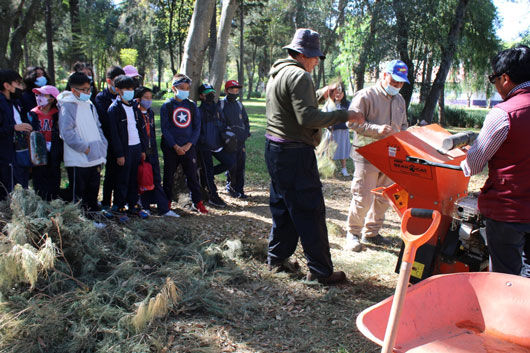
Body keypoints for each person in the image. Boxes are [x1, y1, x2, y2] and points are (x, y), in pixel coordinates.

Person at [265, 28, 365, 285]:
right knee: (309, 210)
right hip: (295, 153)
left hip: (275, 151)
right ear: (302, 54)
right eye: (315, 56)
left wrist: (322, 93)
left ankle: (276, 259)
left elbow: (294, 100)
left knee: (284, 207)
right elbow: (307, 117)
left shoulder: (279, 72)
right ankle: (320, 271)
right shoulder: (300, 77)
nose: (317, 61)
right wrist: (346, 115)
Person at [461, 45, 530, 277]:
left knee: (506, 282)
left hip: (509, 213)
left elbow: (475, 164)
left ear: (506, 78)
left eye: (494, 79)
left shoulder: (504, 114)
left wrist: (467, 154)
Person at [344, 60, 409, 252]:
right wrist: (376, 129)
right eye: (394, 80)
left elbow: (403, 125)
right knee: (362, 196)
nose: (397, 85)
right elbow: (351, 122)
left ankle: (372, 232)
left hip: (391, 156)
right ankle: (353, 233)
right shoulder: (366, 95)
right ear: (383, 75)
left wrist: (405, 135)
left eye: (401, 82)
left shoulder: (399, 100)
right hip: (367, 155)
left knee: (384, 197)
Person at [58, 72, 107, 215]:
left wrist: (102, 145)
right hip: (78, 159)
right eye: (83, 89)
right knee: (79, 193)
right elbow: (66, 132)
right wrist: (85, 148)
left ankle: (93, 216)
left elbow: (97, 126)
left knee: (93, 190)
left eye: (88, 88)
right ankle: (80, 219)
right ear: (73, 90)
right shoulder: (68, 106)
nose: (87, 92)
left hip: (95, 156)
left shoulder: (89, 104)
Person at [160, 73, 207, 214]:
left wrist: (189, 144)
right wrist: (175, 146)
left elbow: (197, 127)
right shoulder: (167, 106)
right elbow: (165, 128)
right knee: (168, 176)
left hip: (188, 147)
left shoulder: (192, 106)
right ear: (174, 88)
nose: (185, 90)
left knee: (192, 176)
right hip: (171, 148)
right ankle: (166, 202)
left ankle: (198, 202)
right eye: (181, 87)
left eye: (187, 88)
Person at [107, 75, 149, 221]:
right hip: (124, 151)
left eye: (132, 89)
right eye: (126, 89)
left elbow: (140, 129)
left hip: (136, 148)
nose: (130, 92)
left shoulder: (135, 108)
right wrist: (119, 154)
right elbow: (114, 135)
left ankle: (133, 205)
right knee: (122, 179)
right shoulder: (114, 109)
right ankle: (119, 207)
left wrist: (143, 149)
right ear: (118, 90)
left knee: (133, 179)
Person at [135, 86, 179, 218]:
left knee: (156, 179)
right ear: (138, 99)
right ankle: (145, 206)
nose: (149, 101)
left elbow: (152, 133)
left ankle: (163, 208)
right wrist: (141, 150)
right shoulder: (135, 114)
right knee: (143, 179)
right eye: (145, 98)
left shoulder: (151, 113)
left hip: (152, 151)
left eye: (150, 98)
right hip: (141, 152)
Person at [197, 83, 235, 208]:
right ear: (201, 96)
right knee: (208, 171)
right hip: (204, 146)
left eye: (212, 93)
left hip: (218, 144)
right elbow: (197, 129)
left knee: (229, 162)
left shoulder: (217, 108)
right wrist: (203, 141)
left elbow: (223, 123)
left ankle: (205, 174)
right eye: (207, 93)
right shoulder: (198, 111)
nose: (211, 95)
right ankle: (213, 196)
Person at [95, 65, 126, 210]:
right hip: (108, 141)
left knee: (122, 174)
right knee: (110, 173)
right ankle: (106, 202)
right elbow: (105, 120)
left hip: (124, 141)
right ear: (109, 81)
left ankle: (120, 203)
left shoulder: (125, 97)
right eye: (116, 80)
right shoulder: (101, 98)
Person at [0, 70, 33, 200]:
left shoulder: (15, 102)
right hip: (6, 158)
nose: (21, 87)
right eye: (17, 83)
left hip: (20, 155)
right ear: (7, 85)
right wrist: (14, 128)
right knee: (9, 193)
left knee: (22, 188)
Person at [28, 85, 62, 200]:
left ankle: (53, 199)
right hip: (38, 150)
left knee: (53, 174)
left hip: (54, 149)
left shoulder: (58, 113)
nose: (38, 97)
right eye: (37, 95)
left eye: (42, 95)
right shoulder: (33, 113)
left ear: (52, 99)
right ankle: (40, 199)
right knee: (39, 176)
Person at [220, 80, 250, 199]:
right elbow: (219, 123)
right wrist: (227, 136)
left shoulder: (239, 105)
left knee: (241, 165)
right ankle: (231, 188)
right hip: (229, 142)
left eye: (237, 90)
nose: (235, 92)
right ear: (226, 91)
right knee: (232, 165)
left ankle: (240, 189)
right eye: (232, 89)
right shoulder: (221, 105)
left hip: (241, 141)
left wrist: (245, 134)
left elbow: (246, 122)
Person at [322, 80, 351, 176]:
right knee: (330, 151)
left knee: (342, 149)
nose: (338, 95)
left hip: (343, 132)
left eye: (340, 92)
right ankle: (330, 169)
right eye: (336, 93)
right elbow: (324, 116)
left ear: (343, 93)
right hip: (331, 132)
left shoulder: (347, 104)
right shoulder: (329, 104)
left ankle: (344, 169)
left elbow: (349, 118)